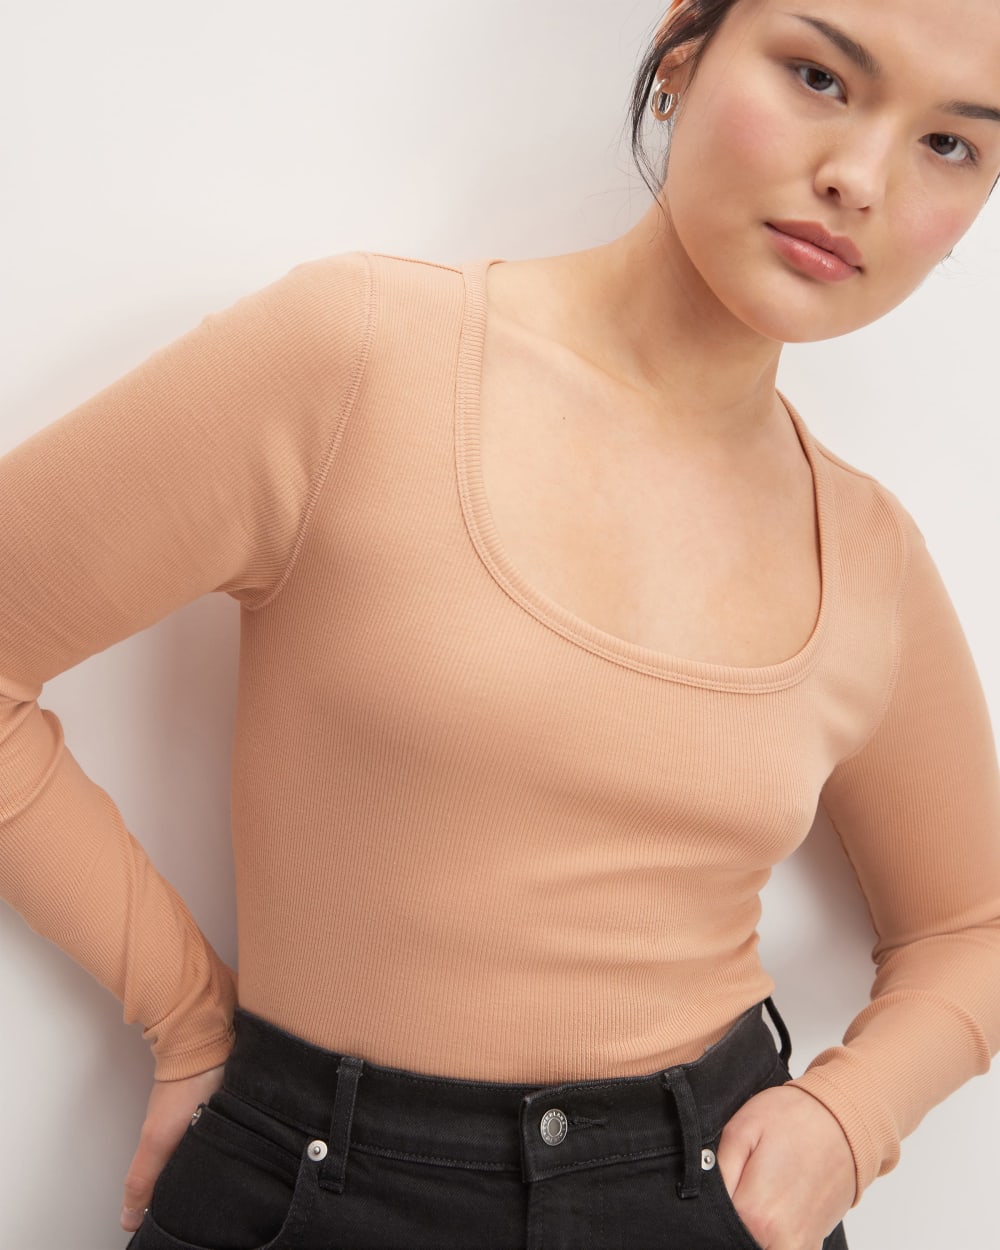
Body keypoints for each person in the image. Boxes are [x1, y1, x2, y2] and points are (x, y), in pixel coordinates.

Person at [2, 0, 999, 1246]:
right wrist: (188, 1013)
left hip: (697, 1189)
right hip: (312, 1180)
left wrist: (848, 1122)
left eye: (950, 144)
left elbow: (971, 923)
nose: (859, 177)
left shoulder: (867, 553)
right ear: (683, 54)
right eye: (817, 75)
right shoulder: (360, 360)